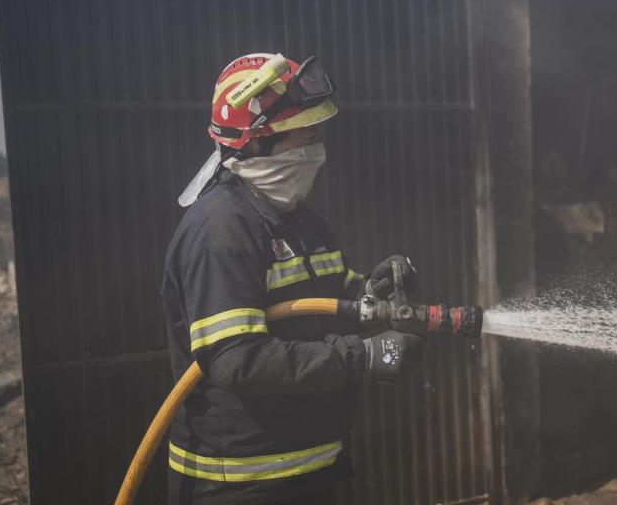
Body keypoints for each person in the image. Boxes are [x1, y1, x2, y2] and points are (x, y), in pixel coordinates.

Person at [162, 53, 425, 504]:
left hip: (302, 470)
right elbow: (236, 360)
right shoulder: (221, 229)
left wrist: (370, 292)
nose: (315, 148)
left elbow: (324, 300)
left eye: (316, 133)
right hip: (241, 484)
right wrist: (361, 357)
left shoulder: (297, 218)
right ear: (255, 143)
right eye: (302, 135)